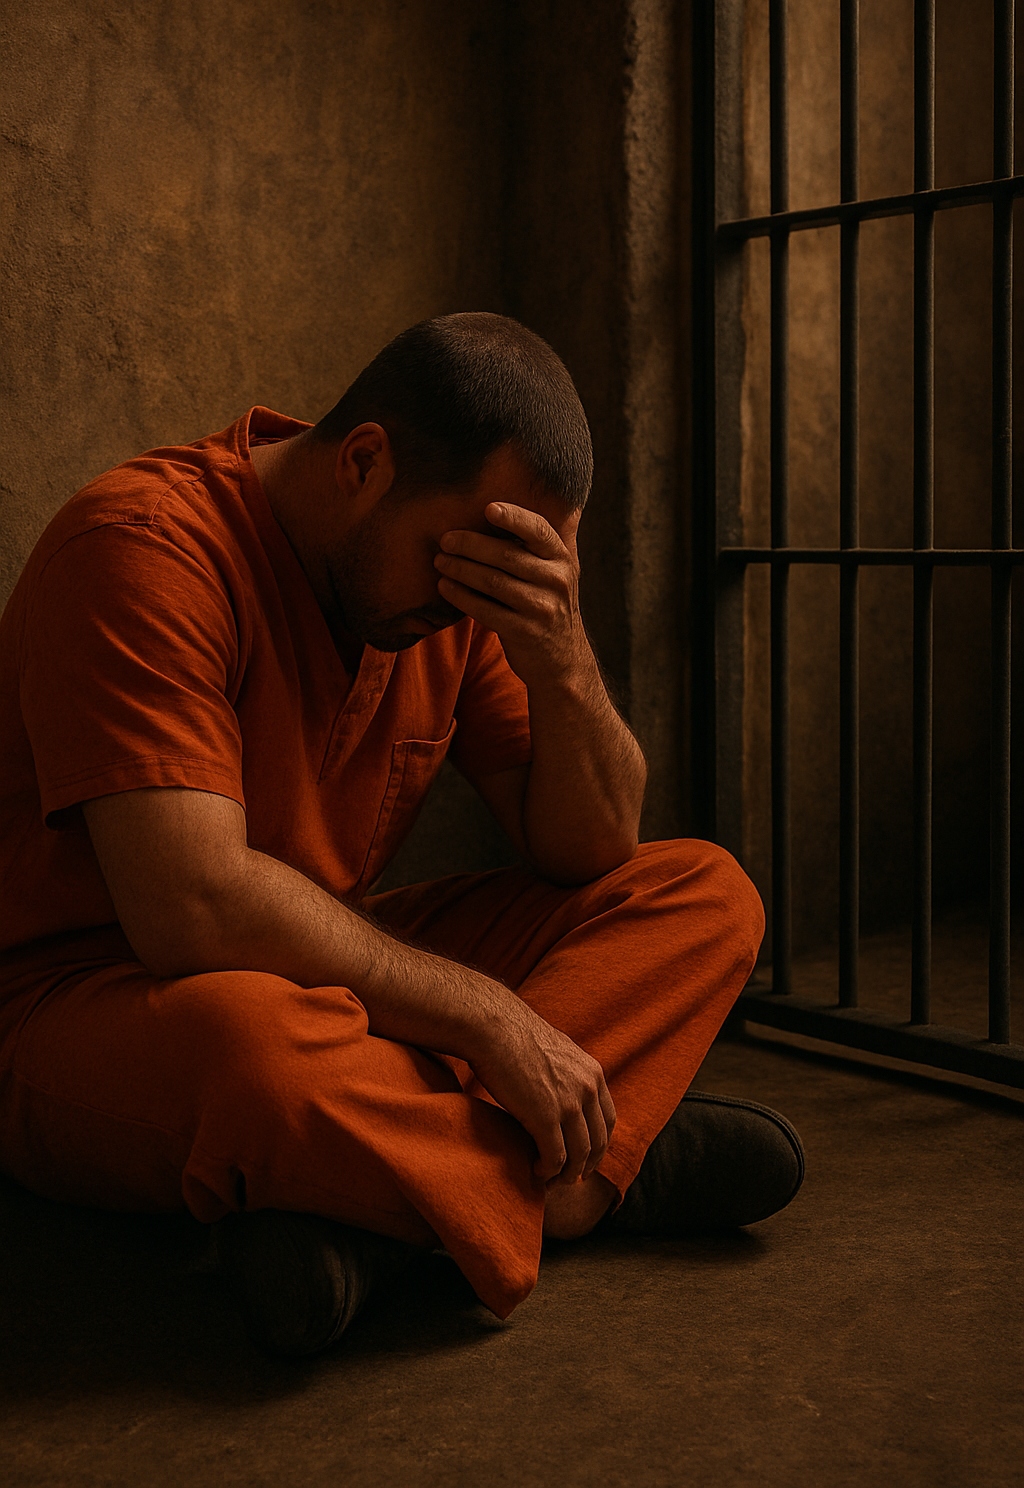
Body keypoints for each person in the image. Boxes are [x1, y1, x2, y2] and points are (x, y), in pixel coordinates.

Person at [0, 313, 803, 1356]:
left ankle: (369, 1218)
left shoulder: (454, 597)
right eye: (458, 554)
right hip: (78, 1003)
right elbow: (187, 909)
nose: (473, 591)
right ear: (365, 461)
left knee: (702, 891)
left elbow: (591, 850)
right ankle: (587, 1181)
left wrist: (558, 654)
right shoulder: (143, 548)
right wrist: (486, 1021)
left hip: (327, 969)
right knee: (256, 1054)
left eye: (522, 565)